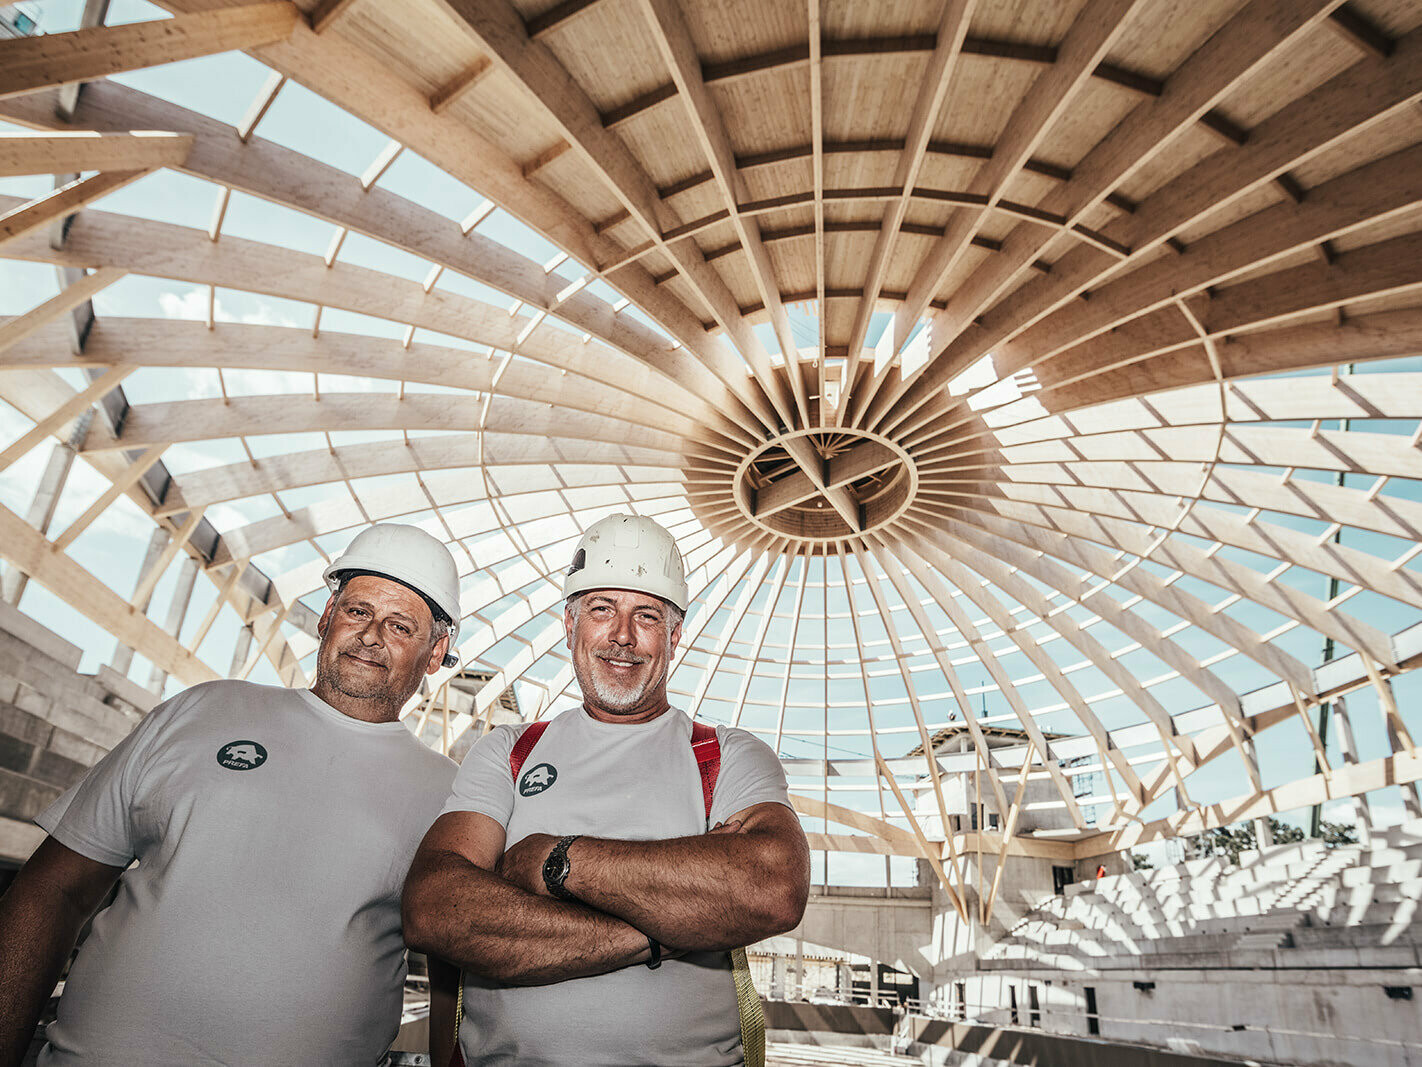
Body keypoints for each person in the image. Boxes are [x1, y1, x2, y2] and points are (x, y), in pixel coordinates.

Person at [0, 523, 465, 1066]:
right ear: (326, 616)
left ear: (436, 653)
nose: (370, 635)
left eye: (400, 625)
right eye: (358, 611)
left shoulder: (452, 792)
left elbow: (451, 980)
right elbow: (54, 890)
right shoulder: (202, 711)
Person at [403, 513, 810, 1067]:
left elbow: (771, 887)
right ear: (570, 627)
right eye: (602, 610)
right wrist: (665, 929)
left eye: (646, 614)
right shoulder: (509, 750)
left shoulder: (726, 755)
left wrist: (556, 862)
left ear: (674, 637)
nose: (622, 635)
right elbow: (435, 907)